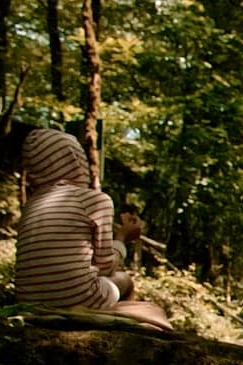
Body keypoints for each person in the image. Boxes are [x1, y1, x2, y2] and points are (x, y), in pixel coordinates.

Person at [14, 127, 172, 330]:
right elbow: (106, 266)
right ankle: (121, 330)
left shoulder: (31, 206)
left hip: (28, 301)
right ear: (76, 161)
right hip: (78, 297)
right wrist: (122, 238)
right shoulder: (94, 200)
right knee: (124, 280)